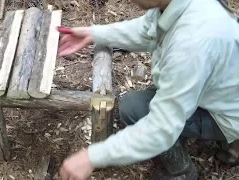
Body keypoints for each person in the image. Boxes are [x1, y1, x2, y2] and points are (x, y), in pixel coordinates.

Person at [57, 0, 239, 179]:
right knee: (138, 105)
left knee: (134, 109)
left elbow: (161, 127)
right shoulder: (181, 6)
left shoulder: (192, 44)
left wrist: (92, 157)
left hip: (229, 115)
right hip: (223, 90)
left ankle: (181, 171)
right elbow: (148, 29)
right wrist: (95, 34)